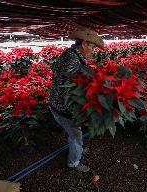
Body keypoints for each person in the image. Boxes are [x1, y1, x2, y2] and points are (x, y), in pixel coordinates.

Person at [48, 28, 104, 172]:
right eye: (92, 46)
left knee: (74, 133)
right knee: (75, 134)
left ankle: (78, 148)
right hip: (62, 106)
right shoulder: (72, 59)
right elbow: (71, 87)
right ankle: (74, 162)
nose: (93, 50)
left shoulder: (72, 54)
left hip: (57, 102)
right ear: (84, 43)